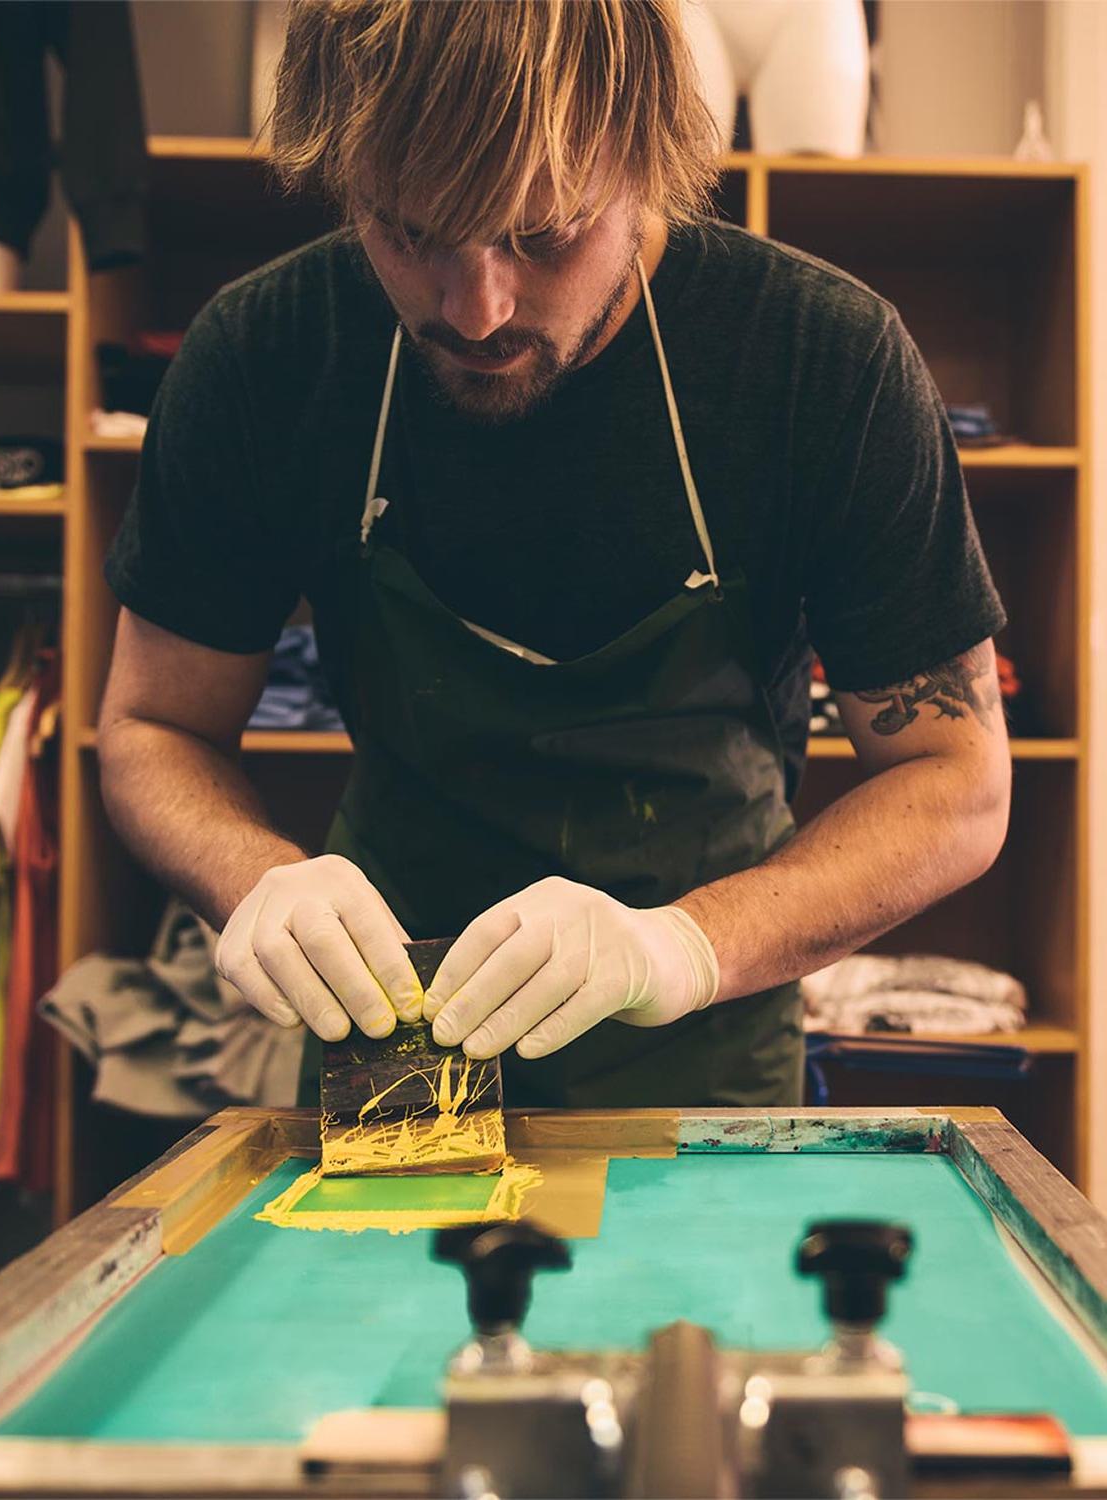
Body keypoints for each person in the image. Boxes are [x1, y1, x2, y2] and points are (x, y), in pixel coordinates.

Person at [98, 0, 1009, 1110]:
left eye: (543, 236)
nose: (476, 312)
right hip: (391, 1054)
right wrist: (260, 881)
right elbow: (152, 726)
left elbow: (953, 781)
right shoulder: (264, 354)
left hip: (701, 1052)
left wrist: (681, 946)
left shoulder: (820, 360)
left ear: (648, 160)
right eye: (411, 234)